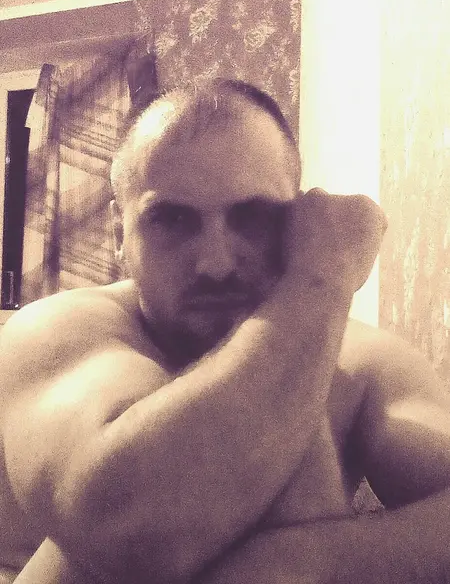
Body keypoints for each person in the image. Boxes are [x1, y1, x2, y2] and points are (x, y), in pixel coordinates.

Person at [1, 78, 449, 584]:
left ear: (299, 222)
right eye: (172, 219)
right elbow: (130, 531)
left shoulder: (362, 359)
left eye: (253, 217)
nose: (215, 264)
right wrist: (321, 277)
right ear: (120, 233)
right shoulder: (56, 330)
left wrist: (308, 561)